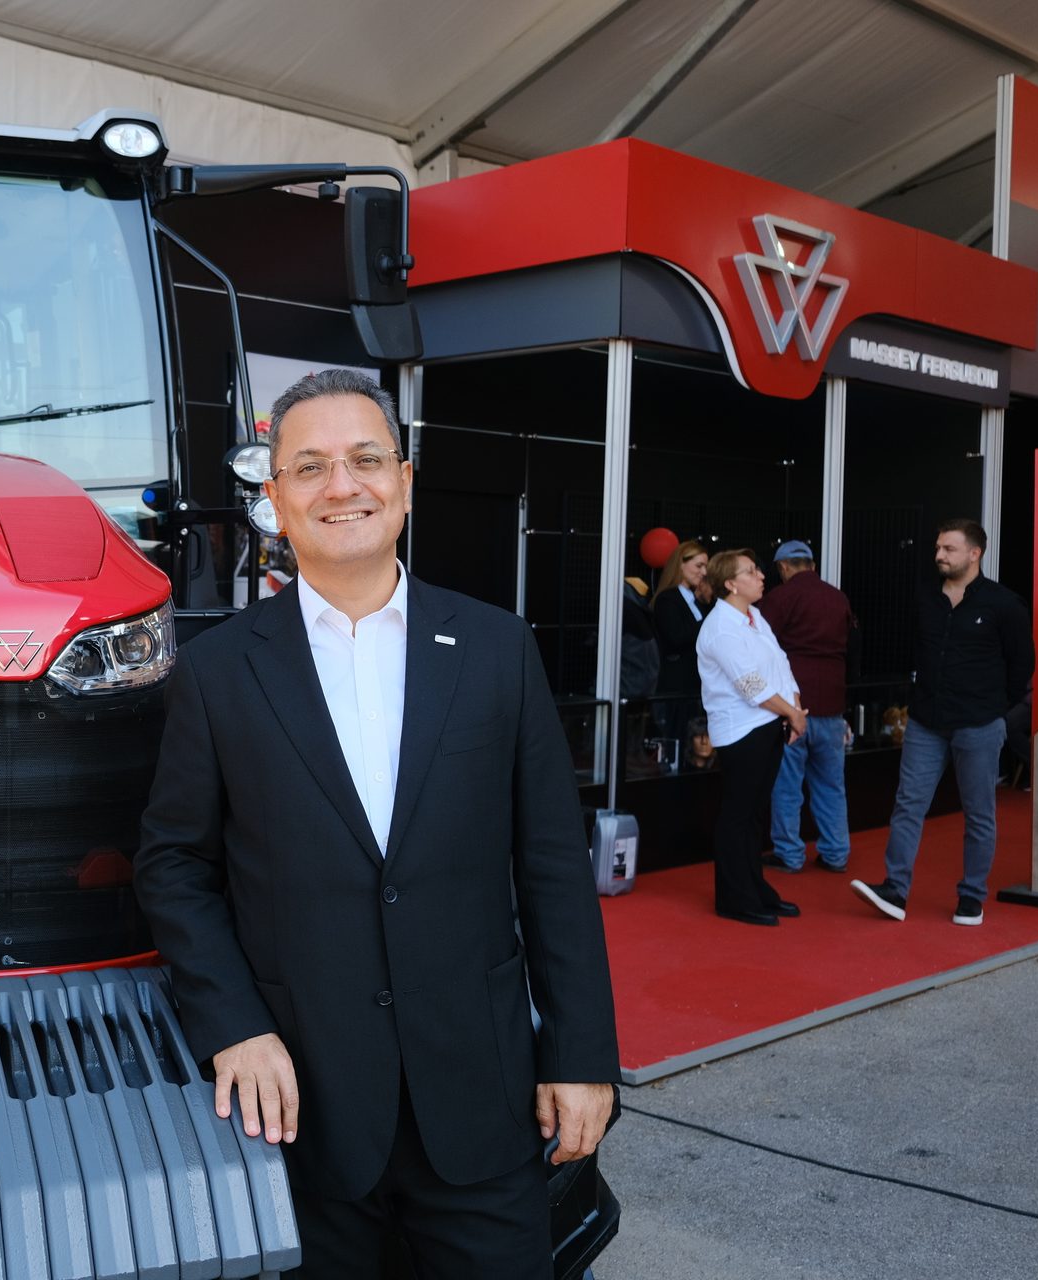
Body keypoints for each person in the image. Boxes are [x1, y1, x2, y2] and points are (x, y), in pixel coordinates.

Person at [135, 369, 619, 1279]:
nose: (342, 486)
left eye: (365, 459)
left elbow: (552, 864)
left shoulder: (496, 649)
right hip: (303, 1114)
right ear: (273, 497)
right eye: (308, 467)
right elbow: (174, 867)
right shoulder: (218, 671)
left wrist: (582, 1053)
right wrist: (233, 1025)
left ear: (405, 480)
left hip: (483, 1101)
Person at [853, 519, 1033, 926]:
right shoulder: (925, 598)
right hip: (926, 722)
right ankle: (894, 890)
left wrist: (996, 713)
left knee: (979, 813)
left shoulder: (1004, 605)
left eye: (948, 549)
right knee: (907, 805)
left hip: (979, 724)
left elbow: (1022, 666)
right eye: (938, 548)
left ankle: (971, 898)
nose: (939, 556)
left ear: (975, 553)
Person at [695, 548, 807, 926]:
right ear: (730, 583)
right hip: (741, 730)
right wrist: (792, 714)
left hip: (769, 725)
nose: (761, 576)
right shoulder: (720, 626)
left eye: (759, 570)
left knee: (755, 814)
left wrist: (795, 706)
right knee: (738, 816)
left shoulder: (754, 616)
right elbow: (750, 685)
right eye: (751, 571)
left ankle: (756, 889)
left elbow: (781, 663)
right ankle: (734, 898)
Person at [758, 539, 857, 873]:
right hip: (832, 703)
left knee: (786, 785)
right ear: (812, 565)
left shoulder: (779, 598)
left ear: (784, 567)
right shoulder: (838, 597)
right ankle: (836, 853)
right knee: (831, 784)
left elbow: (762, 649)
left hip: (792, 706)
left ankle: (789, 853)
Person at [650, 539, 711, 742]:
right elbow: (676, 637)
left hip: (695, 685)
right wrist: (711, 621)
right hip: (675, 686)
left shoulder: (696, 600)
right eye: (699, 565)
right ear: (680, 564)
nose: (703, 572)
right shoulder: (667, 599)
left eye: (706, 567)